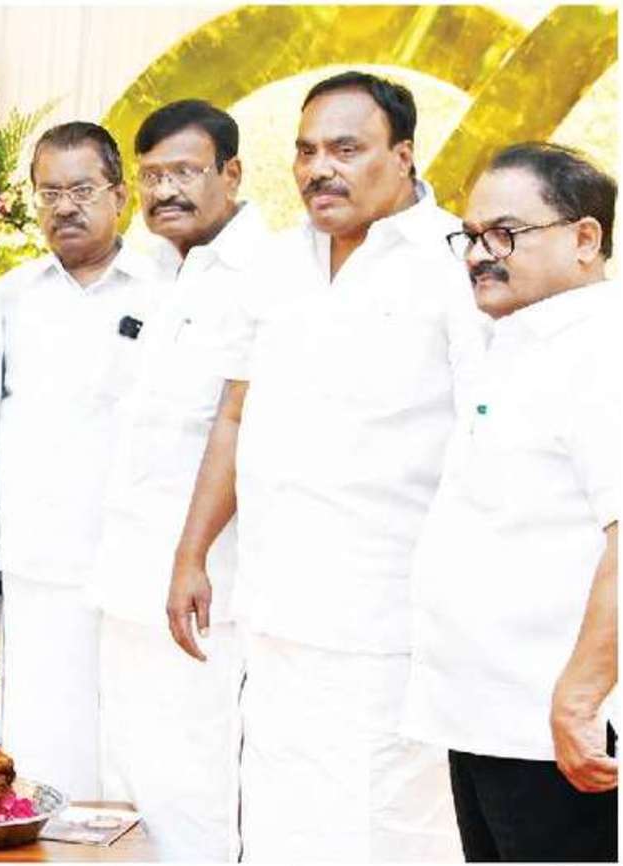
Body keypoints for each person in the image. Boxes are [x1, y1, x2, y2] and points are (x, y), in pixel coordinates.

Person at [167, 71, 482, 860]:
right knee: (282, 822)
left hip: (392, 622)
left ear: (403, 155)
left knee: (388, 826)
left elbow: (485, 438)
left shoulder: (457, 264)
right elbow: (235, 413)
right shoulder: (276, 266)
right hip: (278, 613)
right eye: (306, 151)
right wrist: (191, 552)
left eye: (346, 149)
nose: (319, 170)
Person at [406, 143, 618, 862]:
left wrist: (581, 701)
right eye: (469, 236)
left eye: (505, 234)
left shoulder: (602, 351)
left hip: (560, 733)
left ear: (584, 238)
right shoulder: (517, 343)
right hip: (491, 721)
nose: (478, 255)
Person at [90, 99, 262, 861]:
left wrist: (191, 559)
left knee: (195, 779)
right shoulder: (151, 272)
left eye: (185, 172)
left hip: (207, 588)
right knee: (128, 771)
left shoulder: (265, 277)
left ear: (233, 172)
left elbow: (240, 427)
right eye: (152, 175)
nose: (166, 191)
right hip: (125, 576)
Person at [0, 121, 162, 803]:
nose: (65, 207)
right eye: (49, 192)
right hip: (37, 561)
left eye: (82, 190)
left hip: (137, 562)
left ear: (120, 195)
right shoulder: (8, 299)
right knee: (41, 745)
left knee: (138, 743)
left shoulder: (164, 292)